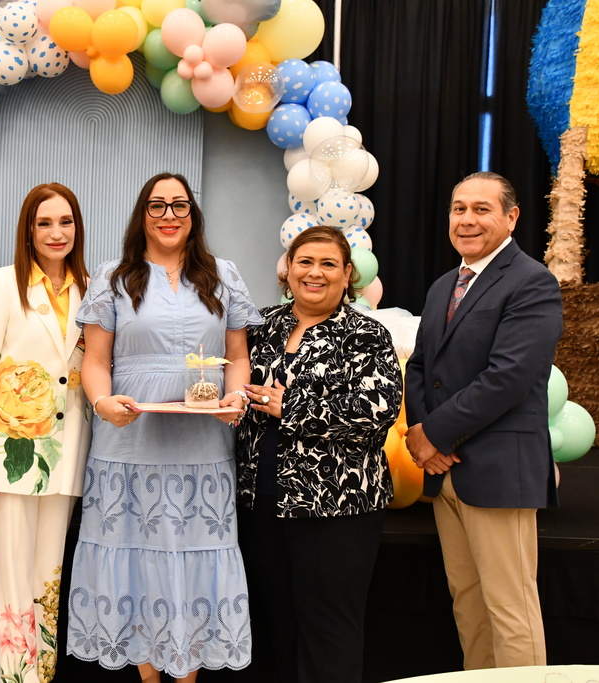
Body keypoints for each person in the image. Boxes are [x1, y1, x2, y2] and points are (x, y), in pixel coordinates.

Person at [65, 172, 260, 682]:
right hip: (128, 444)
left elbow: (238, 357)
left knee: (196, 559)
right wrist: (102, 401)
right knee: (135, 560)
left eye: (179, 205)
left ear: (192, 215)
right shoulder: (111, 278)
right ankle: (149, 678)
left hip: (203, 445)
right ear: (142, 215)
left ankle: (189, 676)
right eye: (157, 206)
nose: (169, 215)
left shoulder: (224, 276)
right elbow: (94, 361)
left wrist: (236, 396)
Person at [405, 171, 562, 670]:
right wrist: (423, 439)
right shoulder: (440, 288)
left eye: (481, 209)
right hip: (443, 473)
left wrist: (432, 434)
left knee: (510, 610)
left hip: (498, 472)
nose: (467, 219)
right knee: (468, 606)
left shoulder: (532, 282)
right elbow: (420, 367)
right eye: (459, 209)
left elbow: (507, 379)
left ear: (511, 217)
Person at [234, 225, 402, 683]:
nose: (315, 272)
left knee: (330, 632)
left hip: (337, 511)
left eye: (328, 264)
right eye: (304, 262)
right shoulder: (262, 326)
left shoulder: (366, 334)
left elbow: (377, 411)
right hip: (260, 506)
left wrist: (291, 407)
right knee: (274, 628)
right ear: (287, 270)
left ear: (347, 275)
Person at [0, 182, 91, 683]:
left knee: (49, 587)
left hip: (65, 459)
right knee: (13, 592)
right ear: (28, 230)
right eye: (44, 223)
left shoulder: (91, 290)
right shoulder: (0, 284)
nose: (56, 233)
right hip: (10, 453)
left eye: (65, 222)